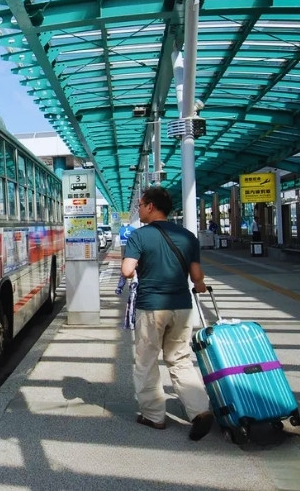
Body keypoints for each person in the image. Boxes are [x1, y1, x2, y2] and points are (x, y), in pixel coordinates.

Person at [120, 185, 214, 441]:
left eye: (140, 204)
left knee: (146, 361)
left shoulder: (139, 236)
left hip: (152, 307)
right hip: (182, 307)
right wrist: (202, 285)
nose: (138, 209)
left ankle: (153, 416)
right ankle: (199, 410)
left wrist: (132, 261)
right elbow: (196, 277)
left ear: (151, 206)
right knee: (180, 359)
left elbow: (128, 271)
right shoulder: (187, 236)